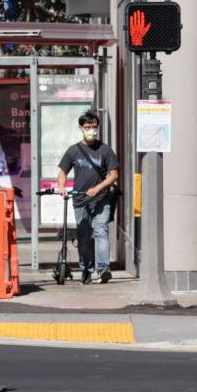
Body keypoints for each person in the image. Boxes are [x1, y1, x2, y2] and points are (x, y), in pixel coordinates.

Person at [57, 110, 120, 284]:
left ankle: (103, 269)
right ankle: (86, 269)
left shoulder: (105, 150)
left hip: (102, 199)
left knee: (101, 231)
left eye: (93, 127)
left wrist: (98, 188)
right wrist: (61, 187)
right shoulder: (73, 151)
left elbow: (114, 174)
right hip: (80, 201)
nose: (91, 130)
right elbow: (62, 172)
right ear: (80, 128)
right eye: (87, 127)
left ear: (98, 127)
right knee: (84, 236)